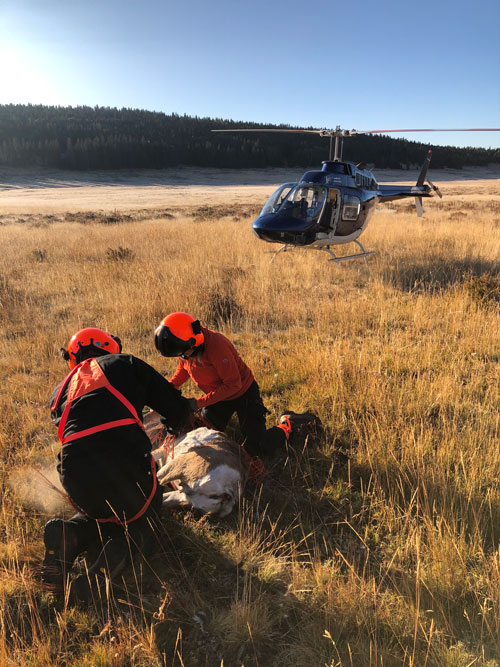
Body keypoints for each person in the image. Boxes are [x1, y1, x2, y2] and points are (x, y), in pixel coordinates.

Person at [42, 326, 192, 599]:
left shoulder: (59, 391)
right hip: (124, 463)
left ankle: (69, 532)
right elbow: (176, 408)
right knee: (145, 517)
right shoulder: (126, 364)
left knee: (100, 510)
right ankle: (118, 552)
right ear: (109, 347)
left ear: (74, 358)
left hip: (75, 475)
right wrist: (175, 421)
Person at [154, 312, 315, 459]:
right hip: (218, 397)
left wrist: (198, 403)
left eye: (183, 354)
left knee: (257, 448)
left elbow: (233, 385)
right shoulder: (183, 346)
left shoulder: (217, 347)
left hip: (243, 393)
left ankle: (289, 424)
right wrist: (170, 387)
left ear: (194, 342)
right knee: (202, 432)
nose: (183, 357)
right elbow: (184, 367)